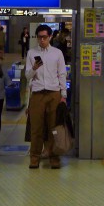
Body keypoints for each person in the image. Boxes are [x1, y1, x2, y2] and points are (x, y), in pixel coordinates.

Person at [25, 24, 68, 169]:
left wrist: (64, 95)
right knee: (36, 127)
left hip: (53, 94)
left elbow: (62, 74)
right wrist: (34, 68)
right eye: (39, 37)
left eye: (44, 37)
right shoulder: (31, 53)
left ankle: (54, 157)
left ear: (50, 37)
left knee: (53, 127)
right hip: (37, 94)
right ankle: (34, 157)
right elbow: (27, 76)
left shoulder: (57, 53)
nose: (42, 40)